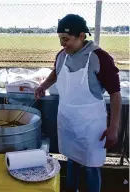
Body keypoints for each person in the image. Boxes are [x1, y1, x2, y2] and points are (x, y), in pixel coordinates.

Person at [34, 14, 121, 192]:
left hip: (91, 125)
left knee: (90, 166)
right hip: (67, 119)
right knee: (71, 160)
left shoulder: (100, 58)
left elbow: (115, 94)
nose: (62, 44)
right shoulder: (62, 55)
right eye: (60, 39)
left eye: (66, 39)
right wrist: (43, 86)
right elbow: (56, 73)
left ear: (81, 36)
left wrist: (114, 127)